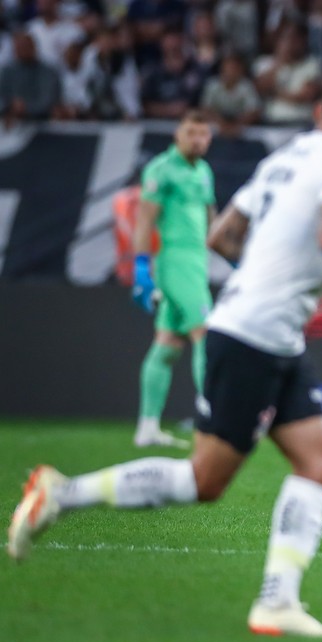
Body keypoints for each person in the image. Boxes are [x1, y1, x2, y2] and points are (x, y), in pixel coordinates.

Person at [7, 65, 322, 640]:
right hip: (254, 334)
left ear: (318, 111)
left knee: (318, 462)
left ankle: (277, 602)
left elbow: (223, 238)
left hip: (271, 332)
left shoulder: (286, 156)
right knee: (203, 481)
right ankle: (62, 492)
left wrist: (271, 279)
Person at [131, 110, 216, 448]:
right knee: (205, 333)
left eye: (203, 134)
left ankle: (147, 427)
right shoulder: (161, 170)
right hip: (176, 259)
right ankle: (213, 416)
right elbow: (144, 222)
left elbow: (213, 221)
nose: (197, 139)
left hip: (198, 260)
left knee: (167, 345)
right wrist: (141, 269)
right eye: (191, 133)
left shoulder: (204, 170)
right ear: (177, 135)